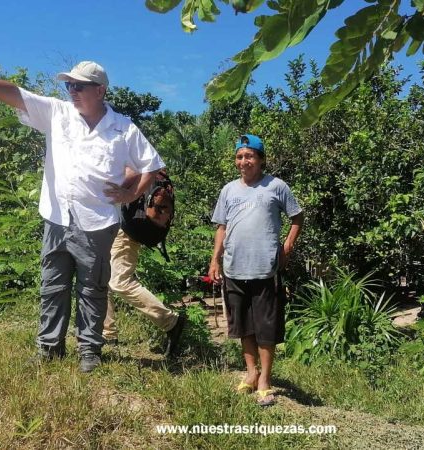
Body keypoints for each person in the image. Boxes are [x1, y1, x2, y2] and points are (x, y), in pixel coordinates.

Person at [0, 55, 165, 373]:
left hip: (97, 223)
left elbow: (151, 166)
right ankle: (49, 348)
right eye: (69, 84)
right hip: (56, 218)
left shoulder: (123, 129)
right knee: (52, 286)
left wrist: (130, 193)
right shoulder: (58, 113)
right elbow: (14, 93)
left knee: (92, 290)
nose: (72, 90)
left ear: (100, 90)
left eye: (79, 85)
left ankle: (89, 351)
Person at [208, 134, 304, 406]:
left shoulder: (276, 186)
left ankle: (265, 379)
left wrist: (287, 246)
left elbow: (297, 217)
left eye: (249, 156)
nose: (243, 161)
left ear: (261, 160)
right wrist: (215, 260)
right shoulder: (228, 190)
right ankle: (251, 374)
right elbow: (222, 227)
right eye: (239, 156)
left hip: (265, 268)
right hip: (234, 268)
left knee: (266, 328)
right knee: (244, 326)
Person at [102, 169, 186, 357]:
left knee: (119, 281)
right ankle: (107, 333)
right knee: (104, 277)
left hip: (124, 226)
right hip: (115, 222)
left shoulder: (130, 149)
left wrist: (112, 191)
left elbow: (132, 173)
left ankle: (170, 321)